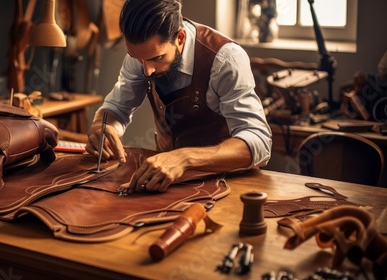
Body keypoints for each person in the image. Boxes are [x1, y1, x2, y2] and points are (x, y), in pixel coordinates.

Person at [85, 0, 272, 193]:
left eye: (157, 58)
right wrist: (102, 125)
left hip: (229, 182)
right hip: (166, 183)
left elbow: (259, 141)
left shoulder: (225, 60)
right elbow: (118, 107)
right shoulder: (143, 56)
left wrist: (184, 158)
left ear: (180, 37)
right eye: (137, 59)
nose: (147, 70)